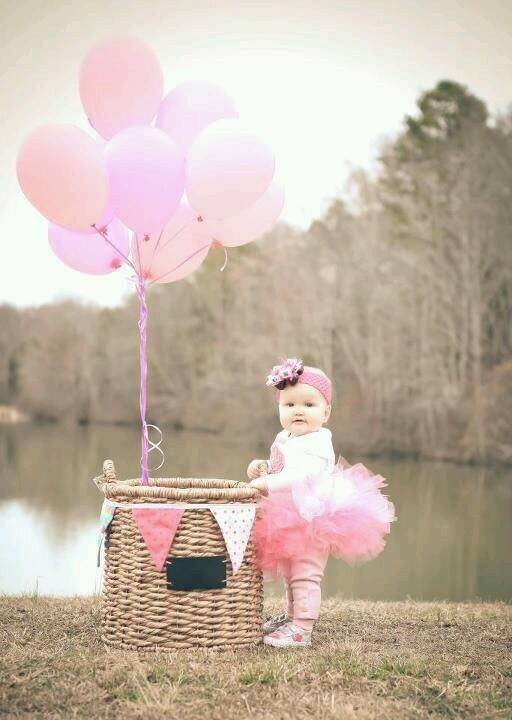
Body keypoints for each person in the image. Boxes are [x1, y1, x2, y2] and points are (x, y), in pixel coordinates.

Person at [247, 357, 396, 648]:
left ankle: (302, 627)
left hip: (313, 516)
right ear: (279, 409)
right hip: (287, 515)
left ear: (325, 413)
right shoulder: (285, 437)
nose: (298, 411)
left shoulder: (318, 441)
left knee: (305, 572)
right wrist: (262, 468)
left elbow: (303, 472)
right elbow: (281, 466)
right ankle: (292, 616)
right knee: (290, 571)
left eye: (309, 404)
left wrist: (268, 484)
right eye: (289, 405)